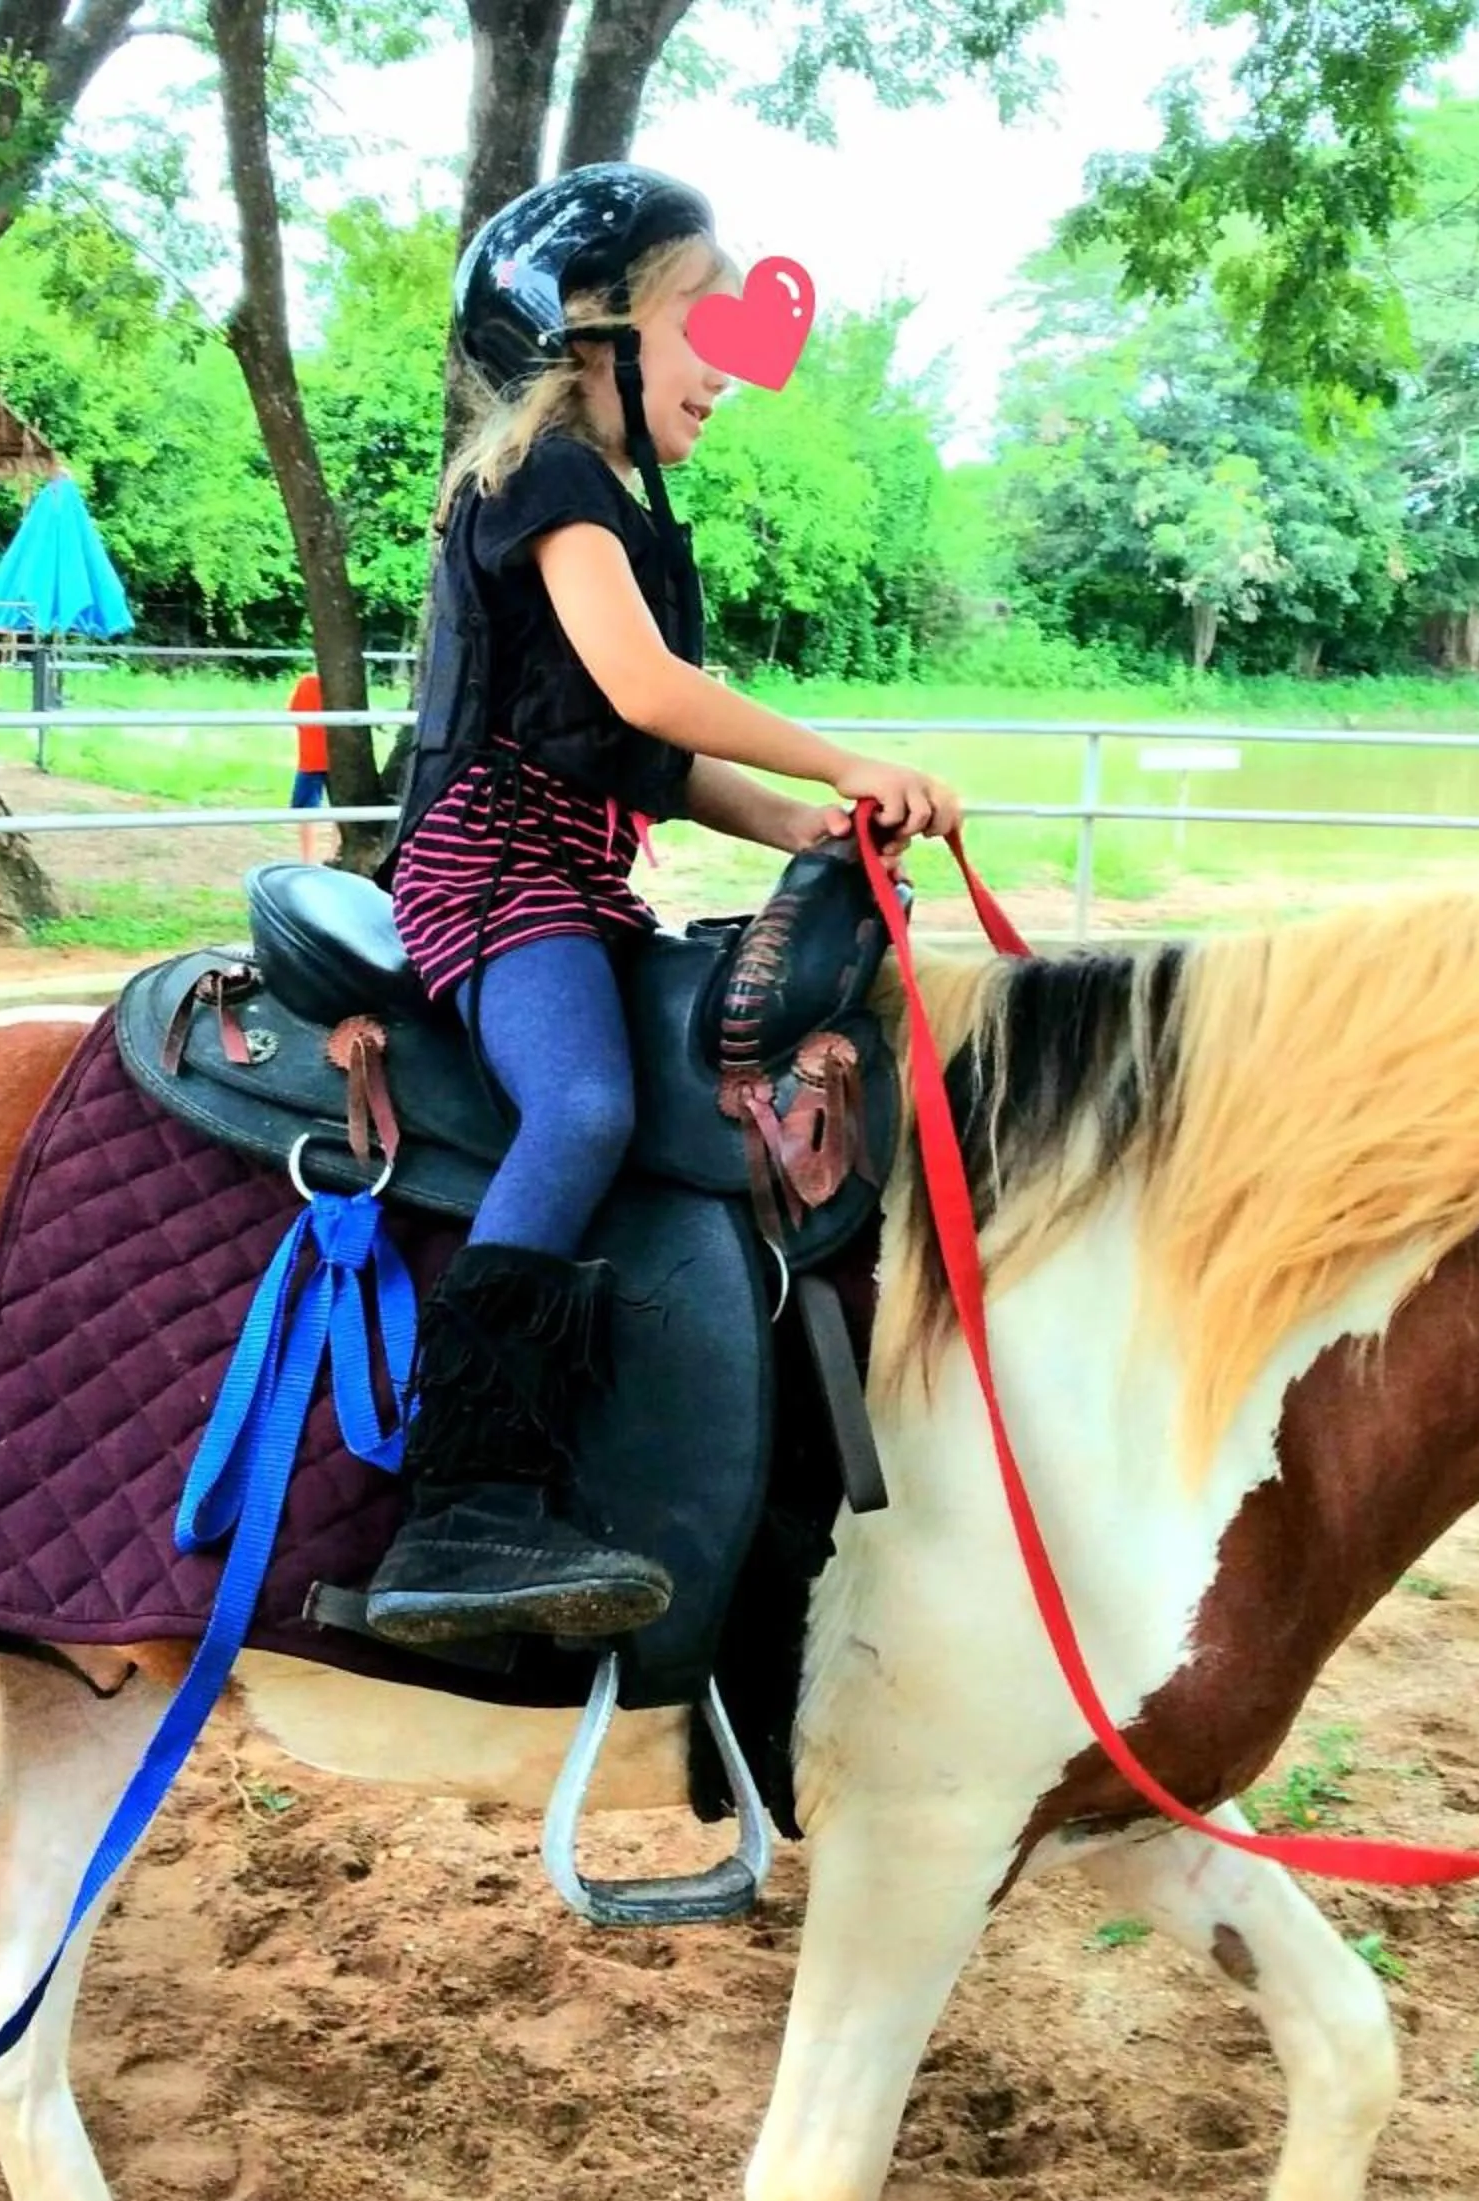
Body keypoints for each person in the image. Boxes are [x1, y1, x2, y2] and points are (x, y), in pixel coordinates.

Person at [356, 163, 960, 1652]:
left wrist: (802, 822)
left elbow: (650, 754)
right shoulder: (549, 483)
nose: (730, 368)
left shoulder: (612, 509)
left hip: (571, 873)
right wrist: (842, 758)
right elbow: (646, 690)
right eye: (708, 323)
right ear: (588, 329)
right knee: (580, 1108)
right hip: (493, 872)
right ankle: (463, 1500)